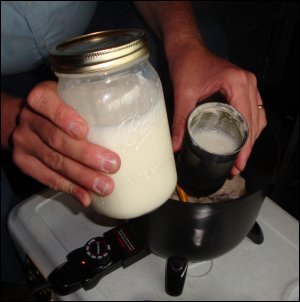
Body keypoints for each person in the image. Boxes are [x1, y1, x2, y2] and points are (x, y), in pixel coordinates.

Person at [1, 0, 266, 289]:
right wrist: (8, 119)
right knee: (11, 232)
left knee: (208, 35)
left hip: (103, 33)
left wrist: (185, 43)